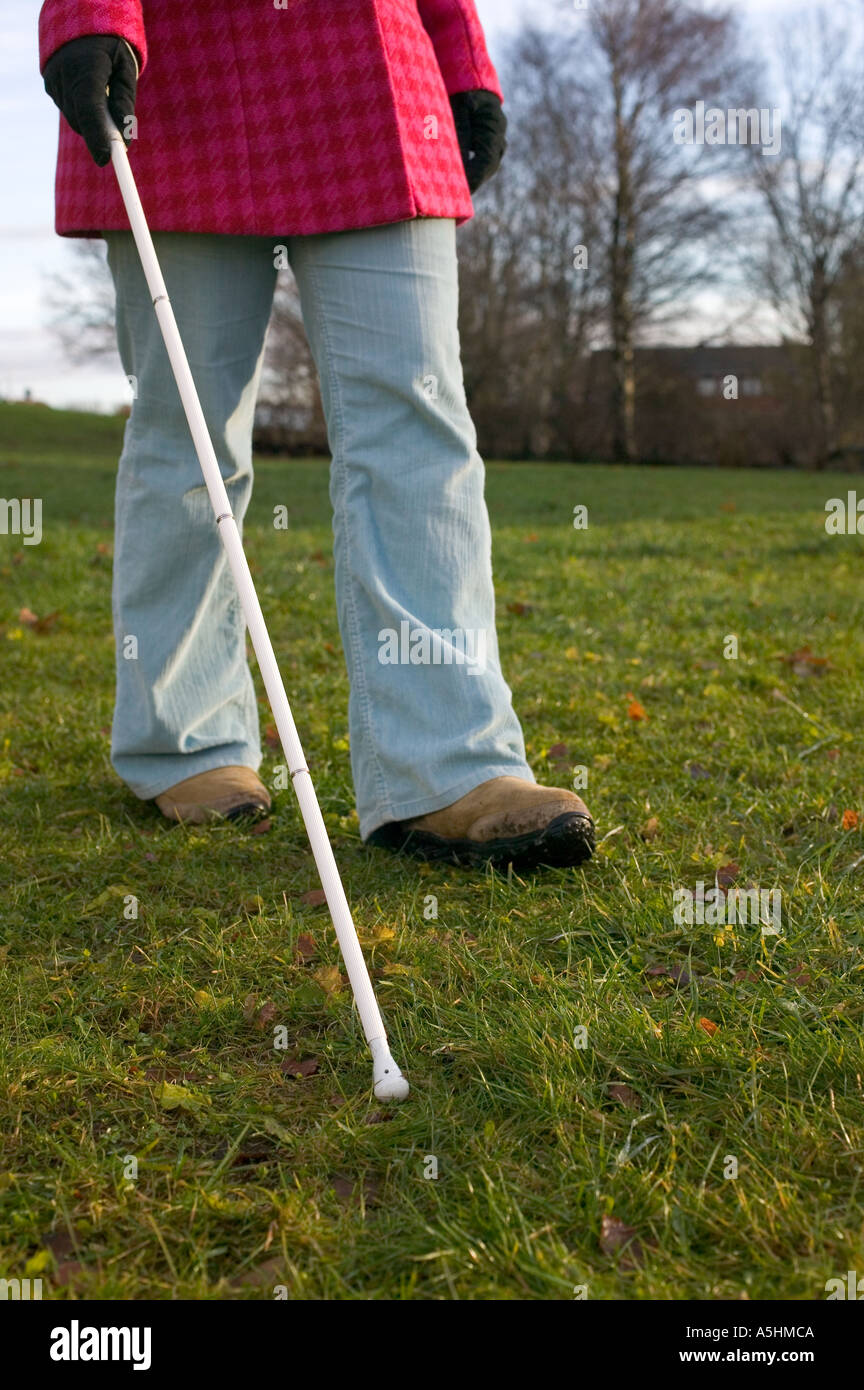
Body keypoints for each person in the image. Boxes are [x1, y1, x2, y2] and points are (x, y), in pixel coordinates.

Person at [40, 0, 594, 871]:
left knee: (419, 416)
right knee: (188, 432)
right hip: (180, 76)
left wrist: (465, 65)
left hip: (378, 76)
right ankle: (184, 737)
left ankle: (449, 766)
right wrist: (86, 12)